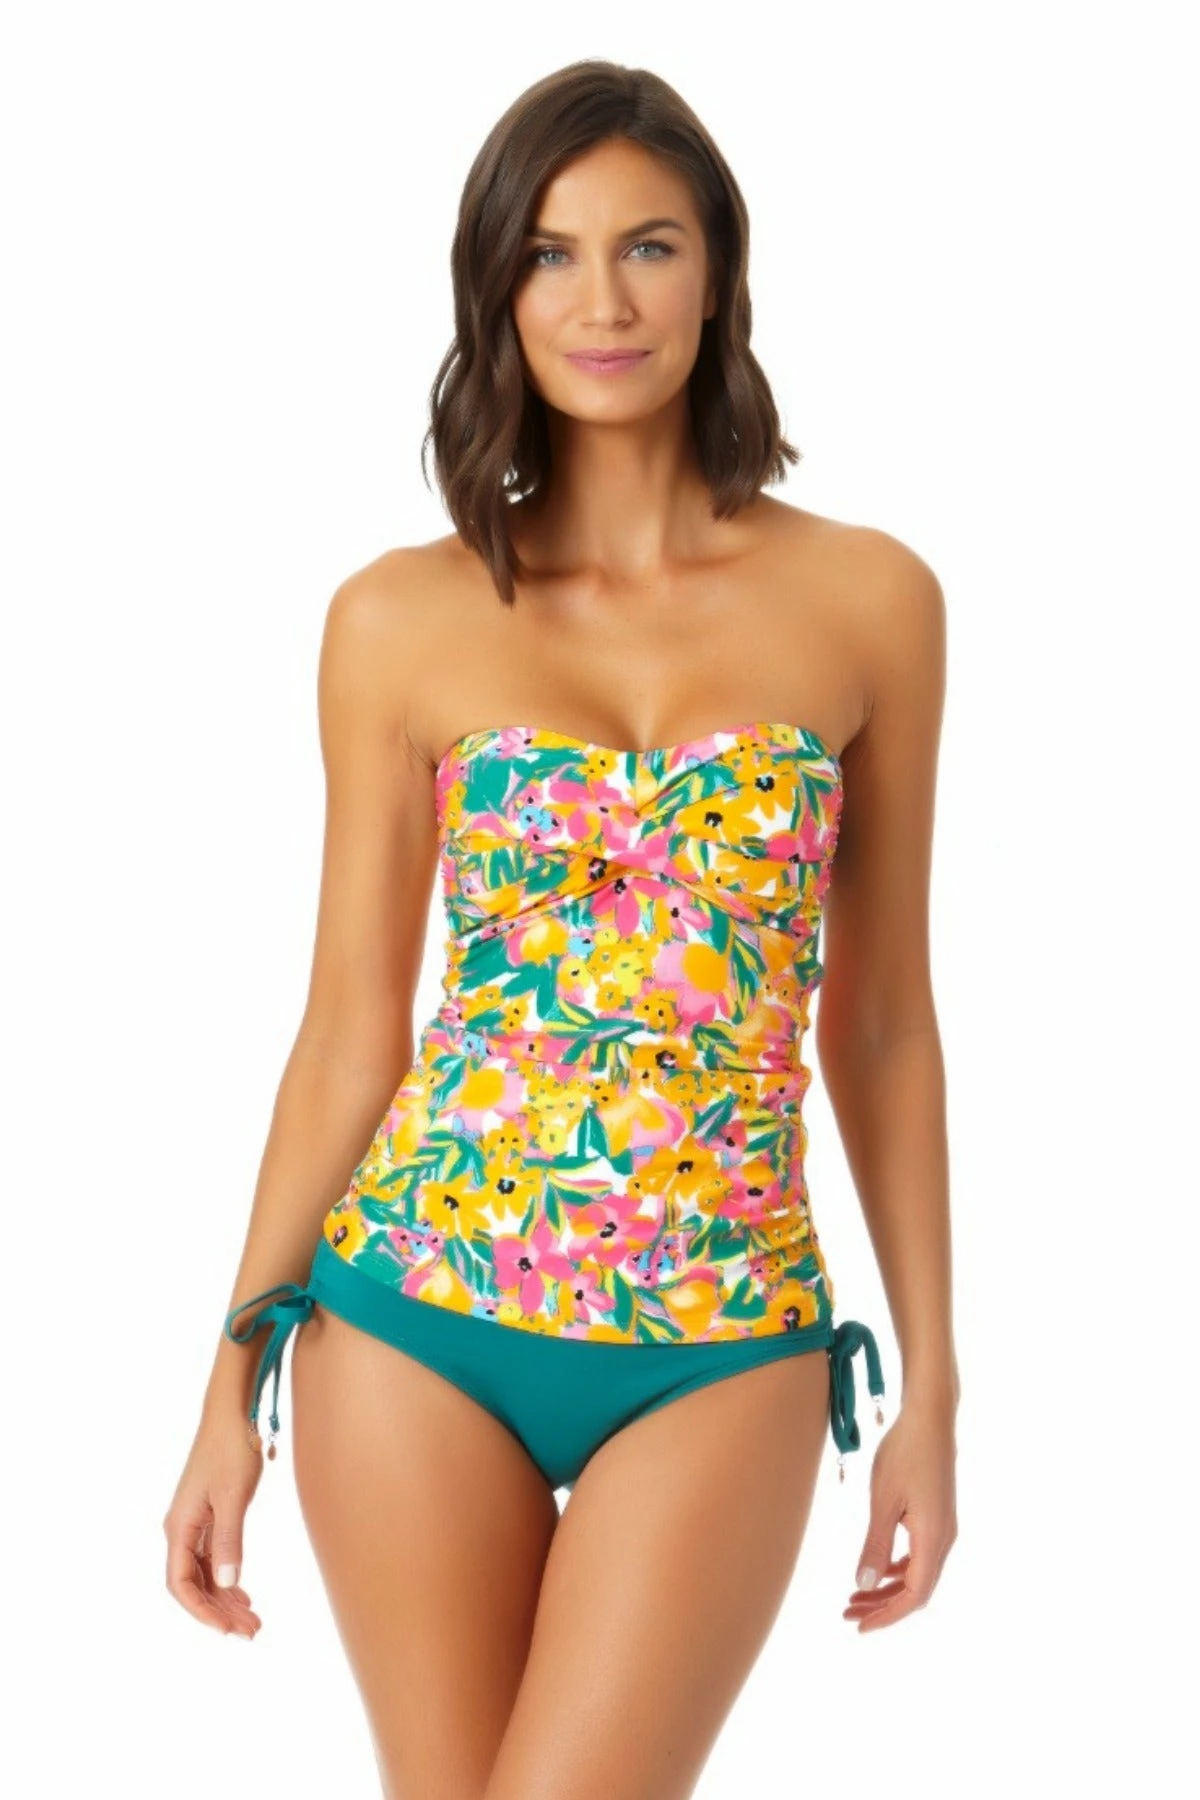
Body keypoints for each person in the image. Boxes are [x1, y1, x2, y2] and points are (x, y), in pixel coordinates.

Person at [164, 59, 959, 1800]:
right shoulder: (398, 618)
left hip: (723, 1333)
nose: (603, 301)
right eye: (551, 253)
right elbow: (348, 1032)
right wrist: (227, 1386)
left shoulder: (871, 601)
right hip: (412, 1317)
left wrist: (937, 1389)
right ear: (497, 293)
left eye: (649, 247)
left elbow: (884, 1021)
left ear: (718, 273)